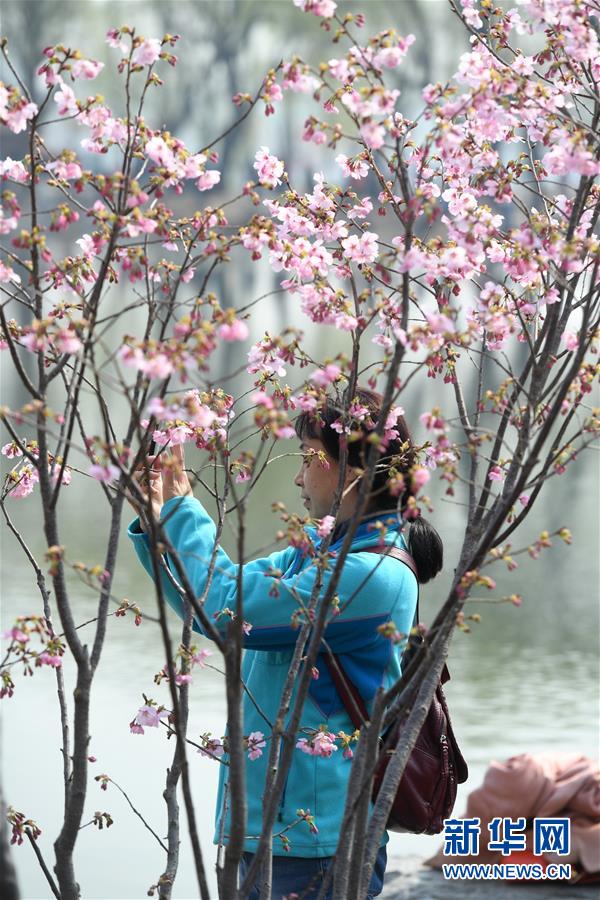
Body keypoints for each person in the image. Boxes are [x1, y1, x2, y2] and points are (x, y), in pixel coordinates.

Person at [126, 387, 443, 899]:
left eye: (308, 458)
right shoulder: (323, 551)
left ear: (354, 469)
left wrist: (182, 504)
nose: (297, 477)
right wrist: (158, 516)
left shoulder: (372, 575)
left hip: (314, 840)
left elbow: (228, 606)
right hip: (276, 828)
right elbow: (215, 604)